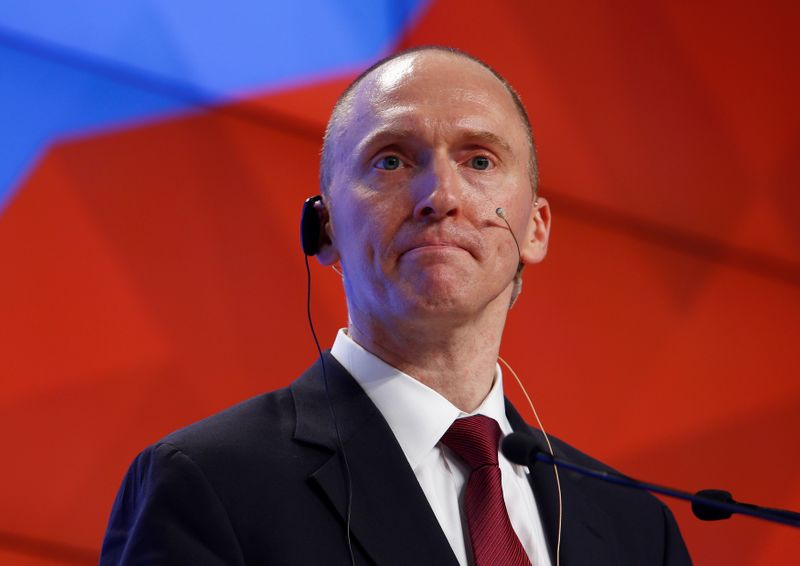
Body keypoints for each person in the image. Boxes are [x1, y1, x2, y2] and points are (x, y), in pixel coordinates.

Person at [101, 46, 692, 565]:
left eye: (479, 160)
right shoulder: (206, 482)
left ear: (535, 229)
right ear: (325, 227)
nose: (440, 196)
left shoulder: (636, 528)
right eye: (391, 160)